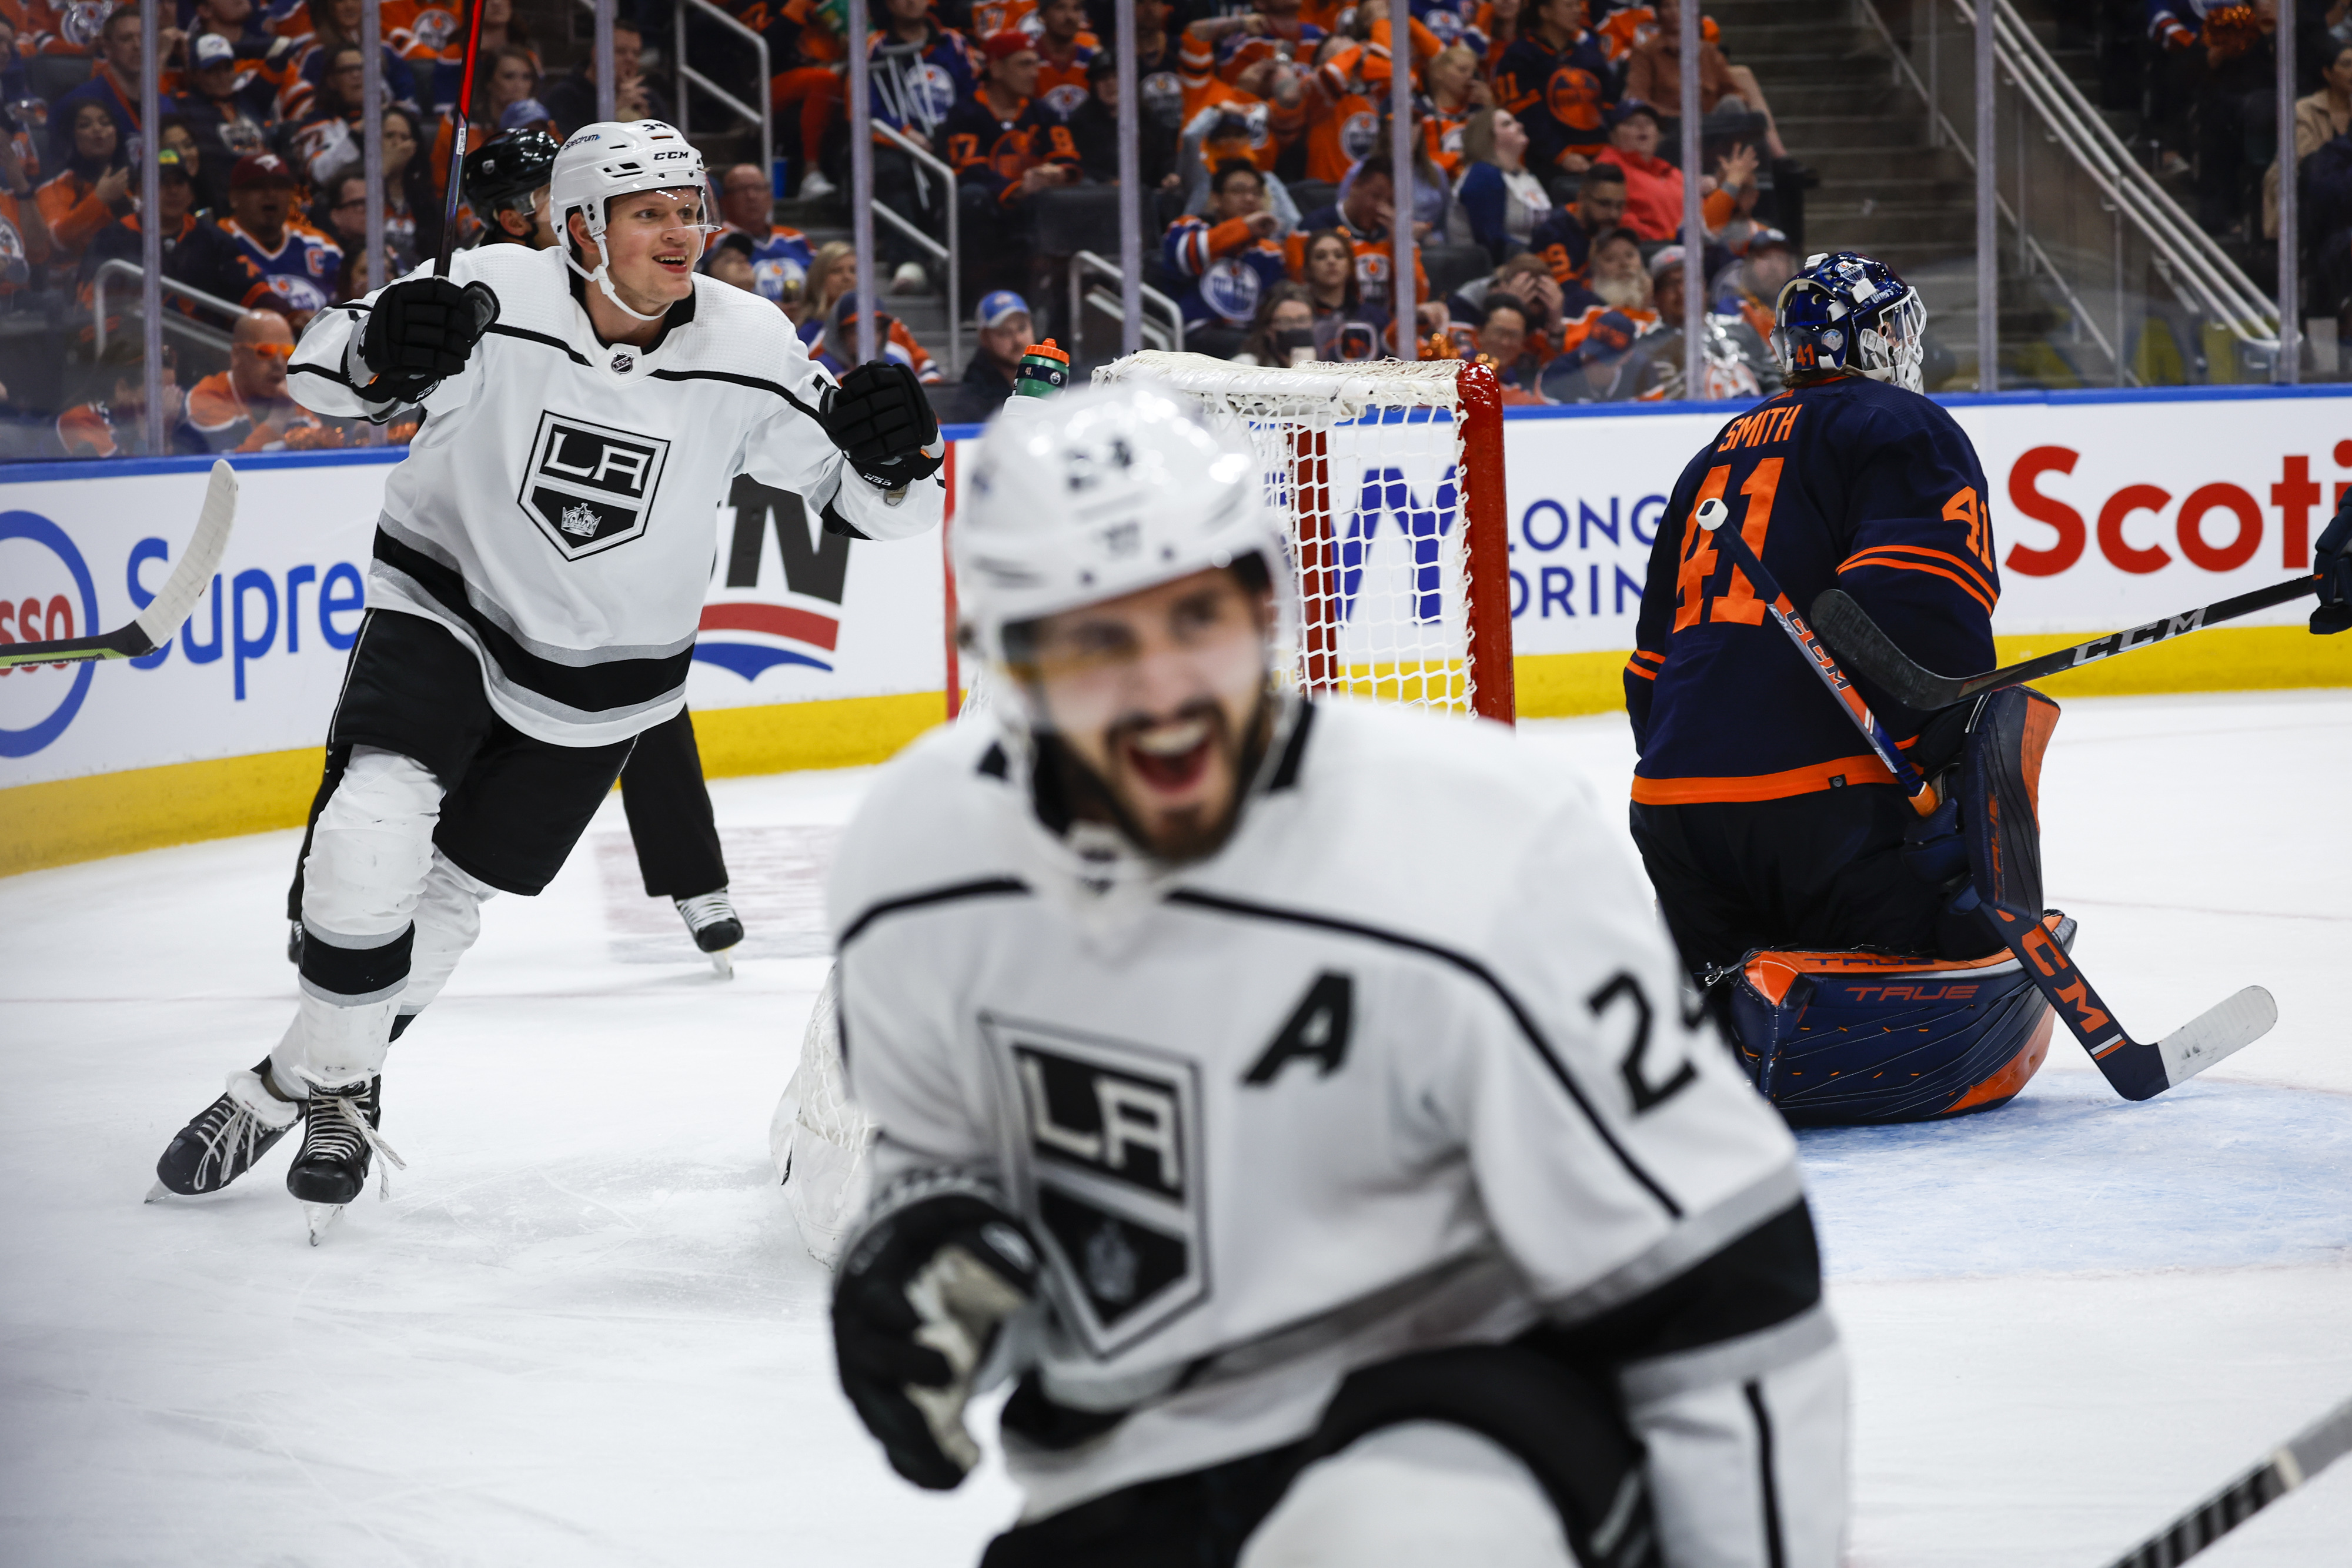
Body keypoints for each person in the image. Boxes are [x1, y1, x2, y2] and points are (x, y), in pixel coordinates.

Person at [823, 380, 1849, 1566]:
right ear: (1006, 661)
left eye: (1192, 616)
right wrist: (924, 1245)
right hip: (1129, 1459)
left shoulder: (1485, 847)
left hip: (1457, 1431)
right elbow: (941, 1160)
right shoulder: (913, 864)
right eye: (1094, 640)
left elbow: (1722, 1283)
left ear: (1264, 602)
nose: (1160, 691)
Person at [150, 119, 945, 1232]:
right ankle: (335, 1089)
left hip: (610, 678)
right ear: (582, 227)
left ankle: (294, 1084)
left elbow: (886, 512)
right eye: (650, 213)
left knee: (448, 902)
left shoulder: (752, 339)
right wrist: (388, 354)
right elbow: (325, 370)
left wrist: (907, 460)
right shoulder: (488, 290)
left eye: (689, 208)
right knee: (367, 838)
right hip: (445, 609)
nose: (683, 233)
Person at [1623, 250, 2001, 983]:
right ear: (1869, 341)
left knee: (1714, 1022)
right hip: (1820, 806)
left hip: (1673, 808)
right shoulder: (1903, 423)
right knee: (1999, 738)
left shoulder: (1711, 456)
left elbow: (1650, 669)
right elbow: (1919, 616)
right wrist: (1931, 760)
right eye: (1893, 330)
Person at [433, 119, 750, 970]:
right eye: (539, 195)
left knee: (651, 700)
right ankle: (326, 895)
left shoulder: (638, 275)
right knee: (404, 720)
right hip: (505, 551)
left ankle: (697, 880)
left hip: (620, 558)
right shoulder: (496, 287)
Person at [1165, 159, 1289, 357]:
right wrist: (1244, 227)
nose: (1249, 199)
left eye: (1256, 193)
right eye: (1239, 191)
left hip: (1250, 337)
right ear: (1216, 198)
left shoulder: (1269, 252)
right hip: (1197, 334)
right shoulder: (1188, 227)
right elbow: (1187, 257)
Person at [178, 306, 338, 450]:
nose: (279, 363)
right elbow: (231, 465)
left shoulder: (288, 397)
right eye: (266, 352)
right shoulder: (206, 398)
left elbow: (322, 448)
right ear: (237, 356)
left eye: (288, 353)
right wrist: (279, 419)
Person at [1492, 0, 1613, 185]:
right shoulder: (1520, 55)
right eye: (1569, 6)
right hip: (1547, 167)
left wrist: (1609, 152)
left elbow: (1609, 104)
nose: (1578, 11)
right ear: (1545, 11)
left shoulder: (1590, 55)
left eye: (1578, 5)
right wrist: (1560, 154)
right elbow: (1524, 112)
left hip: (1600, 160)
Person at [219, 151, 342, 321]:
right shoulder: (218, 241)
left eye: (279, 186)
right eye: (258, 186)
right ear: (234, 198)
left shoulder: (321, 245)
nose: (270, 194)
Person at [176, 31, 280, 216]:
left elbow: (283, 48)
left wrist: (230, 47)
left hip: (272, 191)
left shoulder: (250, 99)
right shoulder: (184, 106)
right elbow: (148, 101)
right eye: (212, 70)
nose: (223, 76)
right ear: (194, 75)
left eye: (228, 67)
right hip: (226, 206)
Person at [1449, 105, 1552, 264]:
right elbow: (1490, 240)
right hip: (1490, 272)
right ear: (1487, 137)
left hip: (1528, 263)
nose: (1520, 125)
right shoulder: (1483, 175)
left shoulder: (1524, 175)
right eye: (1507, 124)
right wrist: (1538, 256)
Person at [49, 4, 145, 168]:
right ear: (107, 47)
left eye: (144, 38)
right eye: (126, 39)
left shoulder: (165, 103)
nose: (137, 46)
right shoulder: (73, 104)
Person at [56, 339, 186, 457]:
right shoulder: (79, 420)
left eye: (172, 391)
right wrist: (149, 437)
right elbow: (122, 478)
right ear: (122, 389)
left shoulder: (135, 425)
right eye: (160, 392)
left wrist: (164, 431)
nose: (170, 400)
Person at [715, 161, 814, 310]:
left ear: (770, 196)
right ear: (724, 201)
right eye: (741, 189)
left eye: (758, 188)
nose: (751, 196)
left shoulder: (796, 239)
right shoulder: (713, 241)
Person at [1528, 160, 1624, 284]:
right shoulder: (1552, 233)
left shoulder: (1613, 231)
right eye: (1604, 204)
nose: (1614, 214)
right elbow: (1568, 292)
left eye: (1620, 206)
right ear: (1582, 198)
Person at [958, 287, 1033, 411]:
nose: (1018, 340)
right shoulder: (973, 394)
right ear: (985, 338)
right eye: (1004, 333)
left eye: (1022, 328)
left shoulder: (1062, 372)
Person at [1235, 279, 1317, 365]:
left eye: (1302, 320)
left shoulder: (1324, 363)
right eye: (1286, 322)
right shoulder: (1246, 364)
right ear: (1268, 329)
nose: (1296, 327)